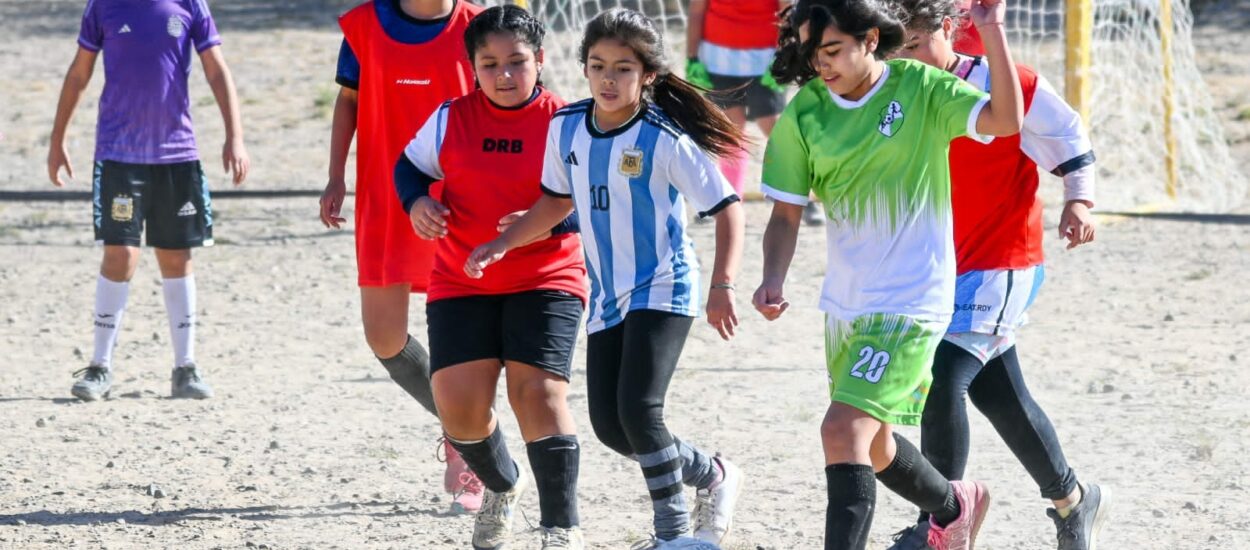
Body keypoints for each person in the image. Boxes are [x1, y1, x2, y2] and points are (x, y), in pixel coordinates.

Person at [465, 9, 748, 547]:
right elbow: (555, 202)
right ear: (584, 69)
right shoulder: (567, 126)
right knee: (612, 428)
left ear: (648, 75)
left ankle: (673, 536)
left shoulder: (664, 136)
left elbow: (728, 206)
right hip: (606, 296)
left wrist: (723, 285)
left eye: (623, 68)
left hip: (664, 285)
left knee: (640, 411)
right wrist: (503, 242)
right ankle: (712, 475)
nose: (608, 79)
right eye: (598, 66)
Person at [752, 0, 1026, 546]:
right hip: (846, 304)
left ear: (871, 39)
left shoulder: (919, 87)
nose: (821, 63)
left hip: (912, 299)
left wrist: (992, 29)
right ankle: (955, 506)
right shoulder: (806, 112)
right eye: (813, 53)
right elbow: (785, 213)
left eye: (833, 50)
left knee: (842, 429)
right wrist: (772, 277)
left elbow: (1005, 119)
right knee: (874, 444)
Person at [884, 1, 1108, 548]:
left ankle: (939, 525)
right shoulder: (897, 92)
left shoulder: (1003, 83)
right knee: (999, 394)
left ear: (947, 28)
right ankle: (1073, 500)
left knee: (942, 379)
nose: (908, 58)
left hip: (1002, 262)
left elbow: (1067, 134)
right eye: (897, 49)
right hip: (938, 270)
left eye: (916, 44)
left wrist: (1078, 200)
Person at [393, 6, 588, 549]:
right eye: (490, 64)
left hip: (546, 276)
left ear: (540, 60)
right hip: (463, 278)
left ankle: (561, 529)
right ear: (472, 67)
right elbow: (408, 167)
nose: (504, 74)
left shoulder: (567, 122)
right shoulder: (450, 117)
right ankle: (503, 485)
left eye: (517, 62)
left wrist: (543, 223)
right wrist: (416, 203)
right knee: (458, 407)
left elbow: (594, 201)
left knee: (539, 394)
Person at [319, 0, 485, 513]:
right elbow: (348, 101)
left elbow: (507, 110)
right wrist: (335, 175)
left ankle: (471, 451)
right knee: (383, 336)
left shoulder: (477, 26)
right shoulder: (365, 26)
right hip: (385, 197)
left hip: (459, 200)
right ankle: (457, 422)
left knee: (461, 336)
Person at [48, 0, 250, 401]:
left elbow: (216, 69)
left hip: (177, 153)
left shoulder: (189, 4)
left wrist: (235, 137)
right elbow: (79, 73)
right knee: (120, 254)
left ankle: (185, 367)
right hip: (118, 153)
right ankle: (100, 367)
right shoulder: (103, 5)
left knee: (176, 256)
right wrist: (58, 140)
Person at [685, 0, 824, 226]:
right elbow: (696, 12)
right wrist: (692, 58)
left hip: (765, 61)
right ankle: (728, 202)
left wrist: (786, 56)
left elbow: (789, 14)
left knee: (776, 129)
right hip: (718, 60)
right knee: (730, 132)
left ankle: (804, 198)